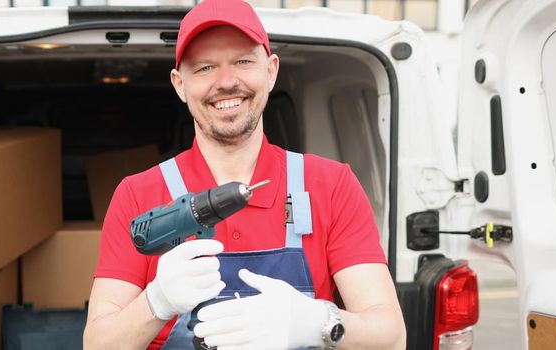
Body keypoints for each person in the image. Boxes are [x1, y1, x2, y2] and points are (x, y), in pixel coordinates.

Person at [82, 0, 406, 349]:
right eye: (205, 67)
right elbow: (97, 344)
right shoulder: (138, 194)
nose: (226, 82)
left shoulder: (331, 185)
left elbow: (392, 337)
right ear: (179, 84)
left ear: (270, 70)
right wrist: (155, 303)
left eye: (243, 61)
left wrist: (319, 322)